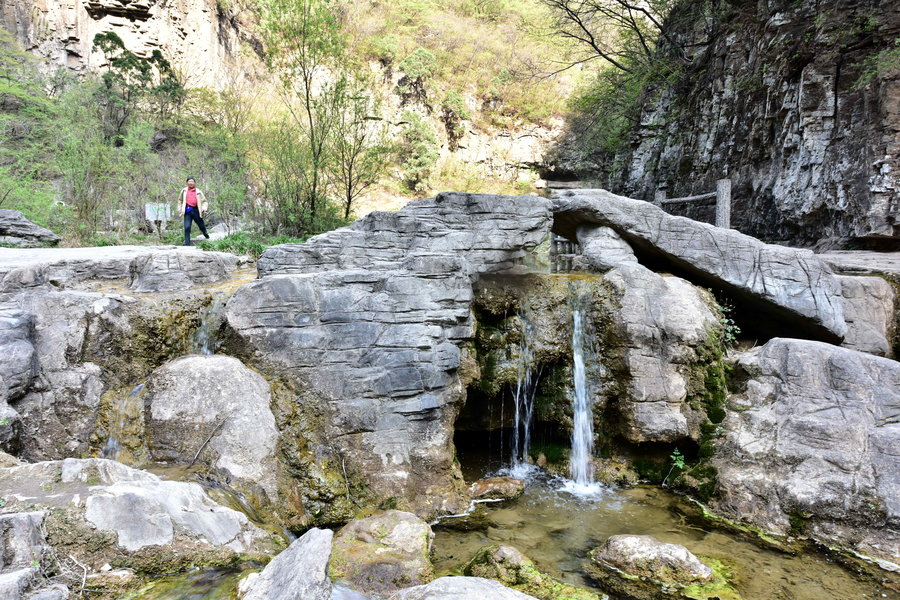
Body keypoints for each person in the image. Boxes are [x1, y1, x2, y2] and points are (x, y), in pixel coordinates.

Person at [178, 177, 210, 246]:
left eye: (192, 181)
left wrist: (204, 208)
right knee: (187, 227)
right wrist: (180, 210)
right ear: (187, 183)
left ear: (194, 183)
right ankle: (187, 244)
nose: (191, 183)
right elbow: (180, 200)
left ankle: (205, 233)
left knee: (201, 225)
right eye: (189, 181)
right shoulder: (184, 191)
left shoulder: (198, 191)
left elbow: (204, 201)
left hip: (196, 210)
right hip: (187, 211)